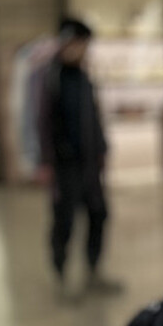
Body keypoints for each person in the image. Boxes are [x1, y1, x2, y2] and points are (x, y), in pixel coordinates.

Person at [36, 16, 121, 297]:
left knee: (98, 214)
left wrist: (102, 148)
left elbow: (93, 117)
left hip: (89, 163)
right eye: (81, 44)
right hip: (64, 165)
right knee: (65, 221)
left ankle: (93, 271)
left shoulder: (84, 77)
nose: (84, 50)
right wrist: (45, 161)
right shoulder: (51, 78)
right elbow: (41, 122)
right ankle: (61, 278)